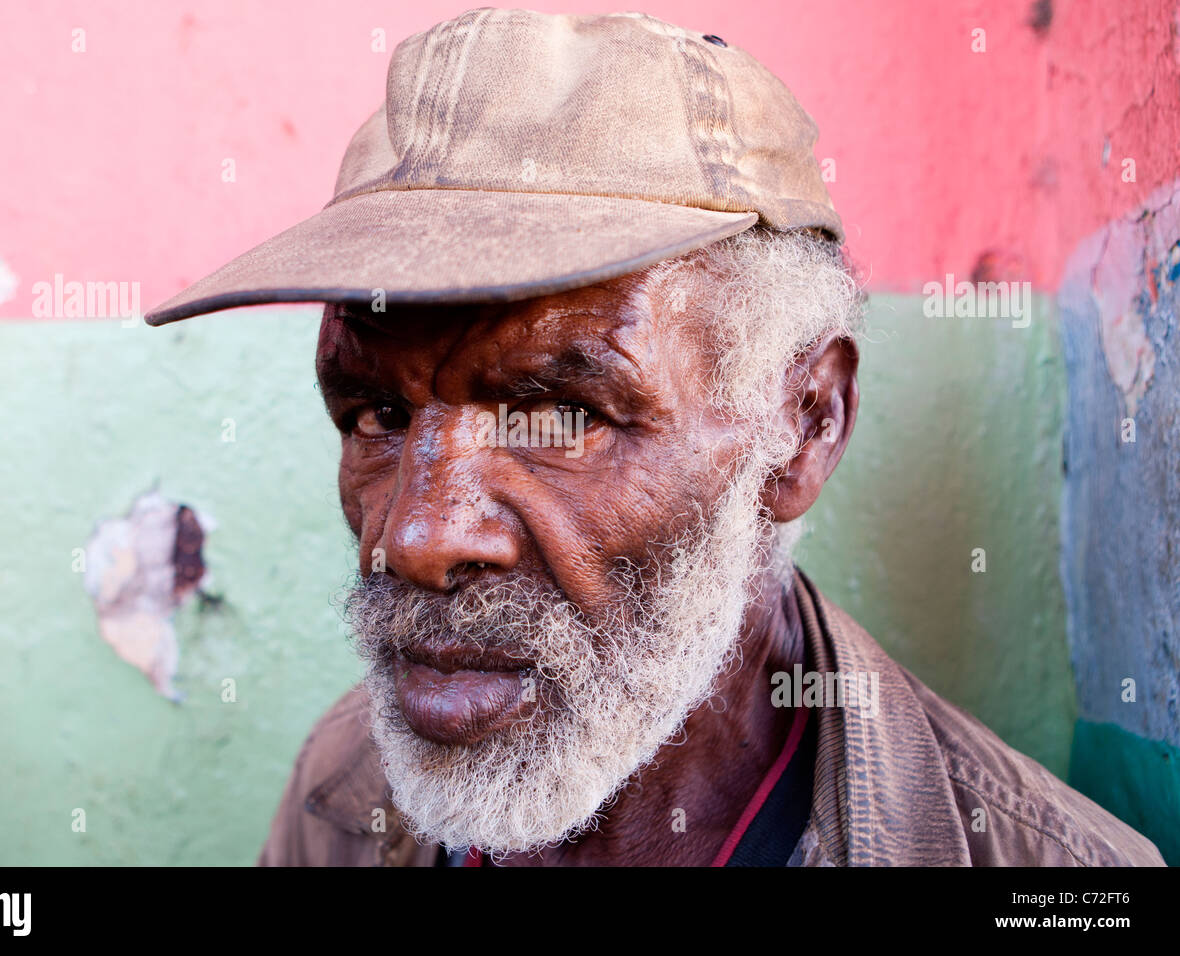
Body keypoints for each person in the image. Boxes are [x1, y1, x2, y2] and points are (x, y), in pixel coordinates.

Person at [146, 9, 1164, 867]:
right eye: (376, 414)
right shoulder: (346, 788)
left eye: (560, 415)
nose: (415, 535)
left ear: (803, 424)